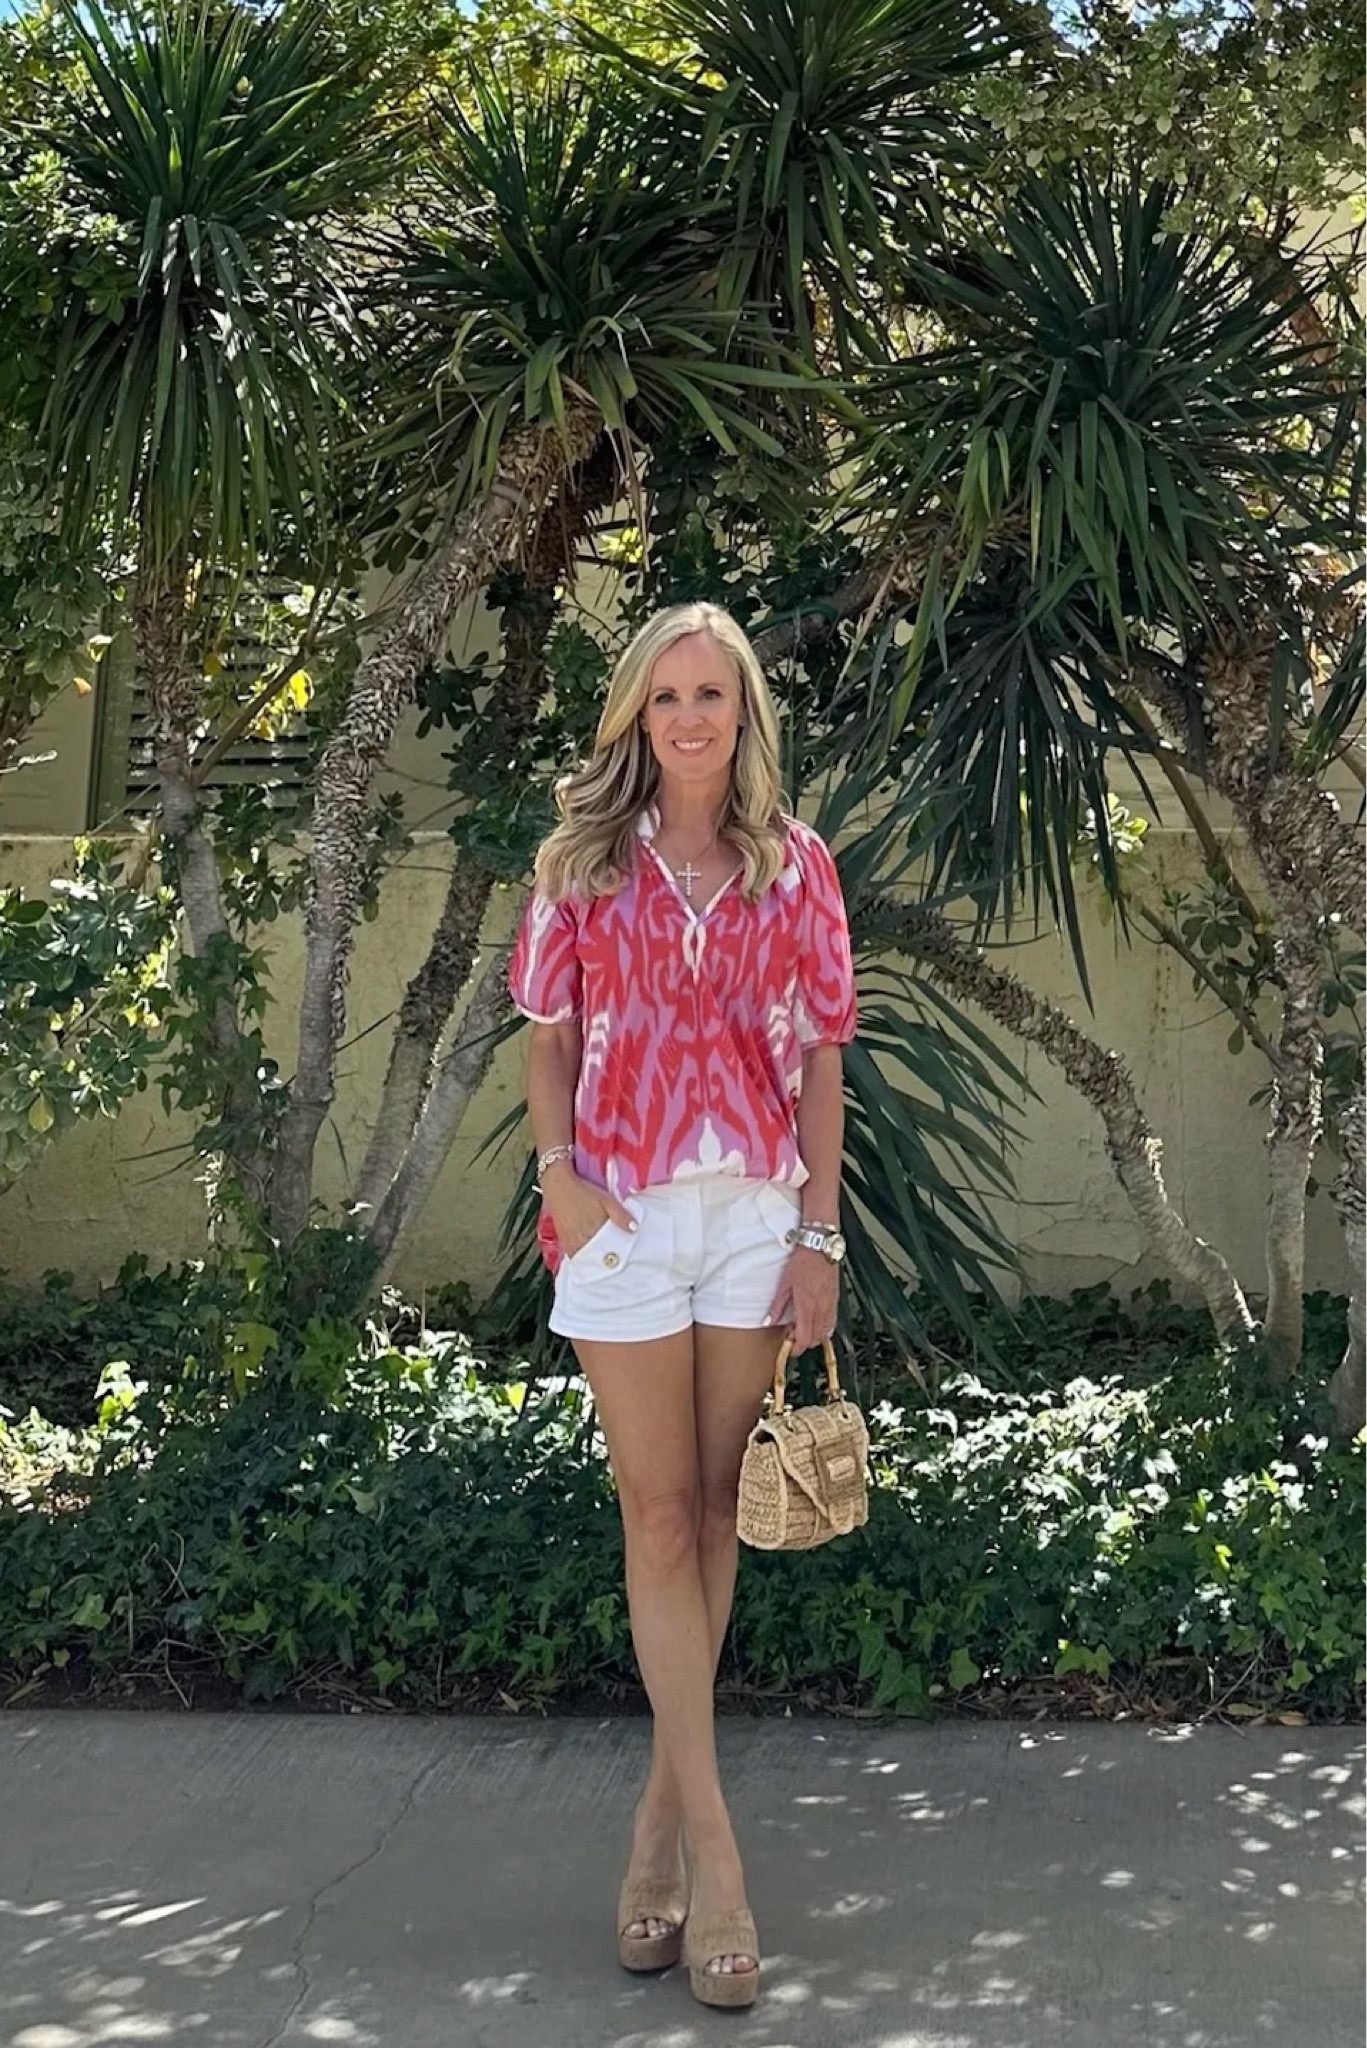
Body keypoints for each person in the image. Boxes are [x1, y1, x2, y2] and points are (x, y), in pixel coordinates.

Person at [507, 599, 857, 2011]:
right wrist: (561, 1181)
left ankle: (658, 1823)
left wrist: (819, 1235)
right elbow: (548, 1043)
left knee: (716, 1516)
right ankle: (716, 1853)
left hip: (756, 1222)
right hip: (625, 1223)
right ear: (635, 717)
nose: (690, 718)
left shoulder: (798, 866)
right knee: (656, 1519)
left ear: (744, 712)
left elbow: (822, 1060)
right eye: (666, 697)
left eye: (712, 694)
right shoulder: (580, 864)